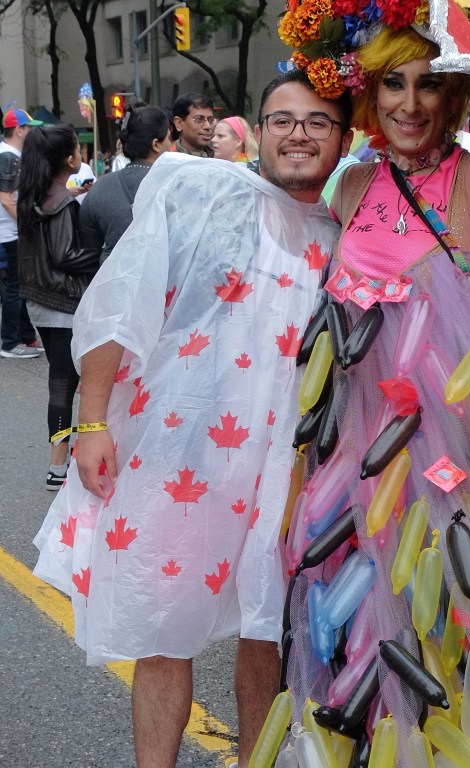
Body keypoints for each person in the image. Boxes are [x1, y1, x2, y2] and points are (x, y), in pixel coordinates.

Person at [271, 5, 470, 765]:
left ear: (457, 96)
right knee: (370, 633)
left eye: (428, 85)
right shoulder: (352, 185)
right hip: (360, 458)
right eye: (393, 84)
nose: (410, 104)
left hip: (465, 451)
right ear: (368, 93)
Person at [32, 70, 353, 767]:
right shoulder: (205, 193)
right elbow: (123, 305)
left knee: (267, 630)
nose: (299, 133)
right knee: (162, 627)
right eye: (283, 119)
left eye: (318, 121)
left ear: (344, 138)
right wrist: (91, 422)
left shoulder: (346, 235)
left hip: (287, 466)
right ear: (258, 131)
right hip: (181, 453)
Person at [17, 124, 100, 489]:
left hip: (39, 299)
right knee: (65, 383)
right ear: (69, 159)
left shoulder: (34, 193)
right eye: (78, 149)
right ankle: (58, 466)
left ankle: (59, 461)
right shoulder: (62, 203)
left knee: (60, 380)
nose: (81, 154)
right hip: (63, 303)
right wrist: (103, 252)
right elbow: (66, 255)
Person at [79, 103, 171, 263]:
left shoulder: (99, 188)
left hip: (111, 275)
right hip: (166, 275)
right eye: (168, 138)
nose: (171, 145)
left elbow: (88, 251)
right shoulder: (173, 184)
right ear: (156, 144)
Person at [0, 108, 42, 359]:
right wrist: (28, 224)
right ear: (18, 130)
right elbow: (7, 199)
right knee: (15, 288)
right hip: (9, 234)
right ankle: (10, 342)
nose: (32, 132)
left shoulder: (8, 155)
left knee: (18, 287)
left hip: (9, 233)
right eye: (29, 128)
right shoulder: (9, 157)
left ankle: (25, 337)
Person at [170, 93, 216, 157]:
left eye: (211, 120)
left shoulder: (222, 155)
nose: (208, 126)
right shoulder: (169, 158)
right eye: (199, 119)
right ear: (179, 123)